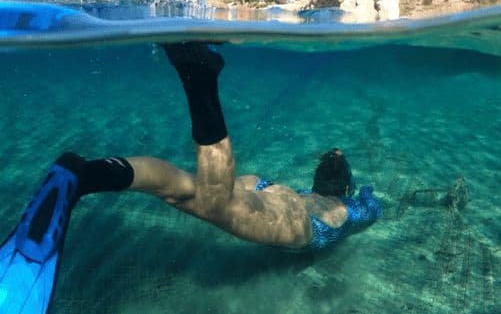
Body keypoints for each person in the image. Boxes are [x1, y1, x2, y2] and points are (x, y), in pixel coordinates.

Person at [0, 42, 381, 314]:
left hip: (269, 191)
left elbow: (315, 191)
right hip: (300, 227)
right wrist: (367, 198)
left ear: (318, 178)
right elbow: (370, 208)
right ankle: (200, 78)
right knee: (216, 203)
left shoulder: (306, 192)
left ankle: (85, 174)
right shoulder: (346, 208)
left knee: (182, 191)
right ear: (342, 188)